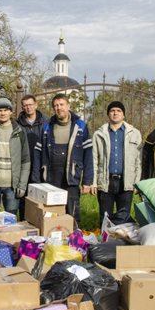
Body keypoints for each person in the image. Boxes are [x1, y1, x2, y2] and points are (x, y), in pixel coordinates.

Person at [31, 93, 93, 225]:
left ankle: (74, 240)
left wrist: (87, 181)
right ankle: (54, 240)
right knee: (52, 213)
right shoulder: (47, 127)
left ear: (68, 106)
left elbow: (88, 155)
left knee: (72, 213)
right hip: (51, 178)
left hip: (71, 177)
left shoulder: (80, 126)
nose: (59, 108)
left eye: (61, 105)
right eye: (56, 106)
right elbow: (38, 153)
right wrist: (36, 178)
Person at [91, 101, 142, 226]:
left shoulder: (134, 133)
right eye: (112, 110)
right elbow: (94, 159)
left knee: (124, 218)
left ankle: (121, 244)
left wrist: (137, 183)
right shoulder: (99, 134)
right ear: (108, 114)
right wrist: (93, 182)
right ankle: (105, 244)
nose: (115, 113)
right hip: (105, 182)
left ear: (123, 115)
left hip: (126, 182)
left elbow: (139, 160)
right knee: (105, 219)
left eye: (118, 111)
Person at [16, 94, 48, 221]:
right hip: (22, 166)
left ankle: (40, 223)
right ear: (23, 107)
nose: (28, 108)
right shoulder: (17, 124)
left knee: (39, 198)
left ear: (36, 105)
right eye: (25, 105)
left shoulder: (46, 123)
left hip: (40, 165)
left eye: (30, 104)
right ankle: (24, 223)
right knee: (23, 198)